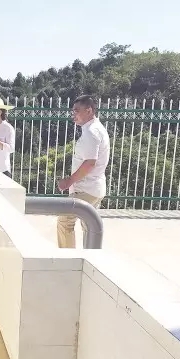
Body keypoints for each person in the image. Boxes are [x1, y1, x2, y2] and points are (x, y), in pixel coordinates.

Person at [57, 95, 110, 249]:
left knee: (65, 222)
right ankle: (88, 256)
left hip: (86, 188)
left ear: (89, 110)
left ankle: (68, 259)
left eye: (77, 110)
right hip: (93, 188)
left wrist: (68, 182)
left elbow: (89, 163)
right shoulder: (96, 129)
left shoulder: (91, 132)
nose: (73, 114)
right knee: (89, 225)